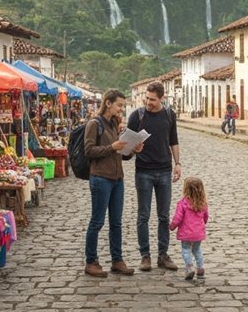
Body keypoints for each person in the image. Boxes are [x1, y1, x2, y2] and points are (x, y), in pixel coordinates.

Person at [126, 81, 181, 272]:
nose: (148, 102)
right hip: (144, 172)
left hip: (165, 170)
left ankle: (163, 255)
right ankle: (145, 256)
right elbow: (126, 148)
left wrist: (178, 164)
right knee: (143, 215)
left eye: (152, 99)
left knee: (164, 216)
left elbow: (173, 140)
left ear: (161, 98)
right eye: (146, 98)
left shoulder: (169, 115)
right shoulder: (137, 116)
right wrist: (134, 148)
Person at [83, 89, 135, 278]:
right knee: (97, 222)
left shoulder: (114, 124)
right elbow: (89, 151)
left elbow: (121, 155)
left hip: (117, 179)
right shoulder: (94, 124)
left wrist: (131, 149)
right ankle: (91, 261)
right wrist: (111, 147)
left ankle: (117, 260)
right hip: (100, 178)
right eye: (119, 105)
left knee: (117, 222)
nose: (121, 109)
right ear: (108, 103)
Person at [170, 177, 209, 281]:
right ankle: (200, 269)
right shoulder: (203, 203)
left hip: (186, 233)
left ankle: (189, 267)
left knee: (186, 250)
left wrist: (172, 226)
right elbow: (206, 217)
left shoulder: (183, 203)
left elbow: (178, 218)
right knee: (197, 250)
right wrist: (201, 226)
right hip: (198, 233)